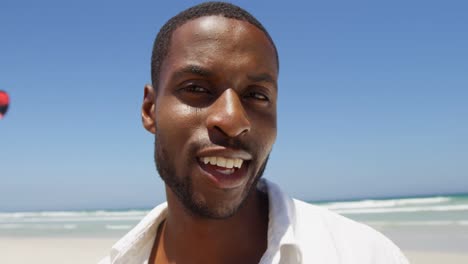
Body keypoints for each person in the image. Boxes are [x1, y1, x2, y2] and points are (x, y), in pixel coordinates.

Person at [100, 2, 409, 263]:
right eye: (196, 88)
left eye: (257, 95)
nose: (233, 120)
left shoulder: (366, 255)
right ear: (150, 110)